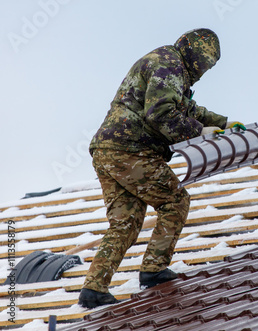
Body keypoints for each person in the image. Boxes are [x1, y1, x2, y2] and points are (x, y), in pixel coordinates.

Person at [78, 28, 240, 309]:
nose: (203, 70)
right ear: (192, 53)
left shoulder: (167, 63)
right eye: (203, 63)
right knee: (175, 201)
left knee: (125, 223)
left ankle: (93, 288)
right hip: (130, 150)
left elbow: (184, 108)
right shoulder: (169, 64)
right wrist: (201, 132)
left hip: (108, 150)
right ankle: (153, 269)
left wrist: (223, 123)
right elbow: (161, 113)